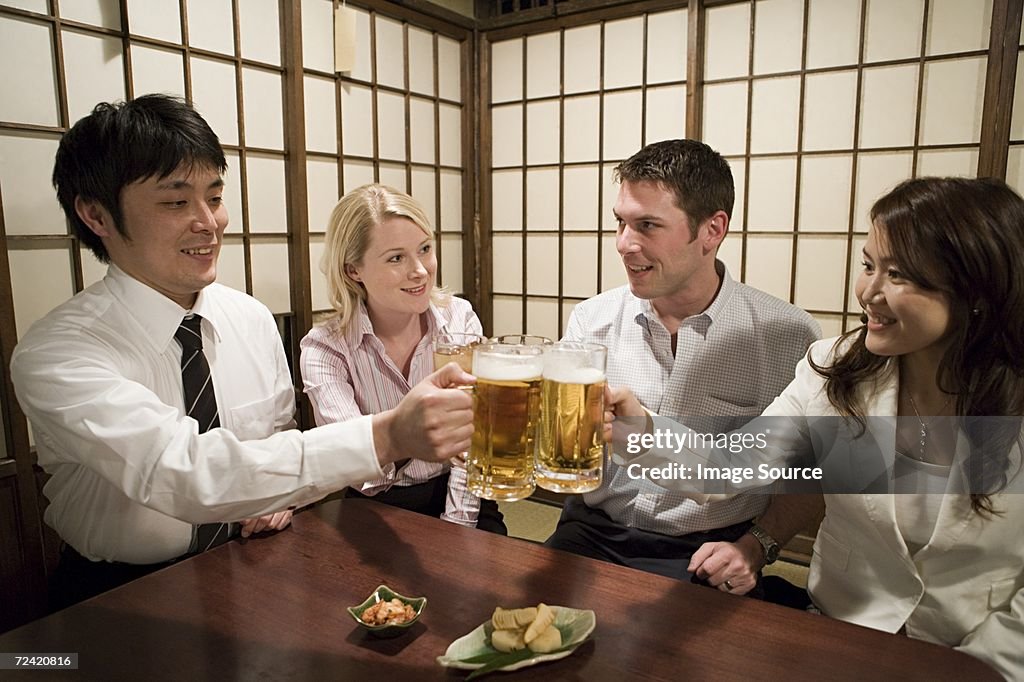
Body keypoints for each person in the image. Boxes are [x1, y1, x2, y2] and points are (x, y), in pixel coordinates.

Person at [10, 94, 474, 610]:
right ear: (97, 215)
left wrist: (281, 500)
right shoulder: (59, 352)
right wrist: (389, 434)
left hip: (259, 559)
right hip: (119, 589)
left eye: (214, 197)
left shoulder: (250, 319)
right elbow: (185, 473)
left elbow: (277, 440)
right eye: (175, 202)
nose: (208, 222)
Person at [615, 176, 1024, 679]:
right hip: (838, 638)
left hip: (977, 662)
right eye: (869, 266)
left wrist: (975, 670)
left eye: (899, 274)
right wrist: (638, 429)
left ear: (976, 293)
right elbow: (730, 466)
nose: (869, 293)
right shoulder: (835, 369)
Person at [544, 139, 823, 596]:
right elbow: (560, 448)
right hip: (593, 530)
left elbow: (809, 475)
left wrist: (756, 546)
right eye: (620, 222)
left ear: (712, 230)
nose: (623, 244)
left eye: (647, 225)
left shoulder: (787, 335)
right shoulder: (591, 320)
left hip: (709, 547)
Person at [300, 184, 506, 533]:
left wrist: (457, 525)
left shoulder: (459, 319)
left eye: (425, 249)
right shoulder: (326, 349)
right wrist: (405, 434)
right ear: (353, 270)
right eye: (396, 258)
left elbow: (472, 442)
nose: (421, 271)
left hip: (462, 491)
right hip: (376, 505)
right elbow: (356, 466)